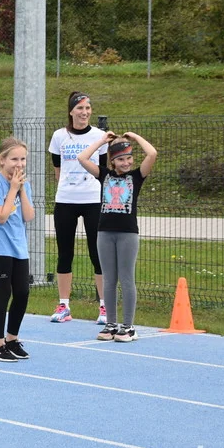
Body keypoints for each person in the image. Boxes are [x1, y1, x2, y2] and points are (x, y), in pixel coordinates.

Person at [76, 131, 157, 342]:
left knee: (126, 278)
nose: (126, 162)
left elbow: (152, 153)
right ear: (112, 161)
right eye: (121, 159)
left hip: (127, 233)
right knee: (109, 280)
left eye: (129, 158)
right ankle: (111, 324)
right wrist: (103, 141)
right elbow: (82, 158)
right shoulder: (105, 175)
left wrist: (137, 138)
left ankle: (128, 327)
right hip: (104, 232)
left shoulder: (137, 176)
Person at [48, 91, 108, 324]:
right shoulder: (59, 136)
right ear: (71, 111)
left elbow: (102, 171)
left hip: (93, 199)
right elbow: (57, 170)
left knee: (97, 253)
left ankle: (105, 307)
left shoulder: (100, 136)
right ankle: (64, 306)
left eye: (88, 108)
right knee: (65, 253)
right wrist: (69, 186)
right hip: (65, 200)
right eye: (80, 108)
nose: (84, 112)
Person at [0, 137, 36, 362]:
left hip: (18, 246)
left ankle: (12, 339)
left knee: (23, 292)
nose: (19, 164)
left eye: (23, 159)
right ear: (2, 160)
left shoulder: (25, 184)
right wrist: (13, 188)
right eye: (14, 159)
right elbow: (2, 217)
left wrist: (22, 190)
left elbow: (29, 216)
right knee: (3, 292)